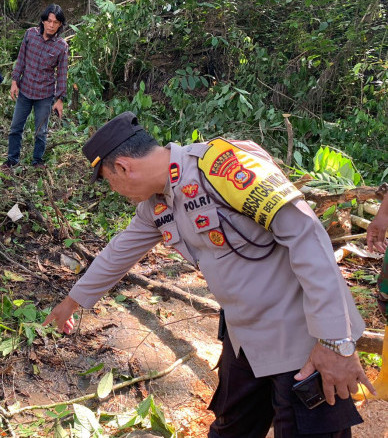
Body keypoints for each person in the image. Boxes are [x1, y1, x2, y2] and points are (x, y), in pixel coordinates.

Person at [43, 111, 375, 437]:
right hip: (245, 340)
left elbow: (307, 234)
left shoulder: (223, 167)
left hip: (302, 336)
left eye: (108, 181)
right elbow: (118, 253)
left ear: (122, 167)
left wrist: (335, 342)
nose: (113, 190)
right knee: (231, 427)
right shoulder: (158, 205)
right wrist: (70, 303)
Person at [1, 4, 68, 169]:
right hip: (25, 90)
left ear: (60, 25)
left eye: (56, 22)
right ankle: (12, 160)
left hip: (44, 95)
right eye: (49, 21)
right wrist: (15, 81)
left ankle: (37, 161)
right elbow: (21, 58)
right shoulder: (30, 35)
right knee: (15, 127)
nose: (51, 25)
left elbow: (62, 74)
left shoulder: (61, 46)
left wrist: (60, 99)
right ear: (43, 21)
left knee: (41, 132)